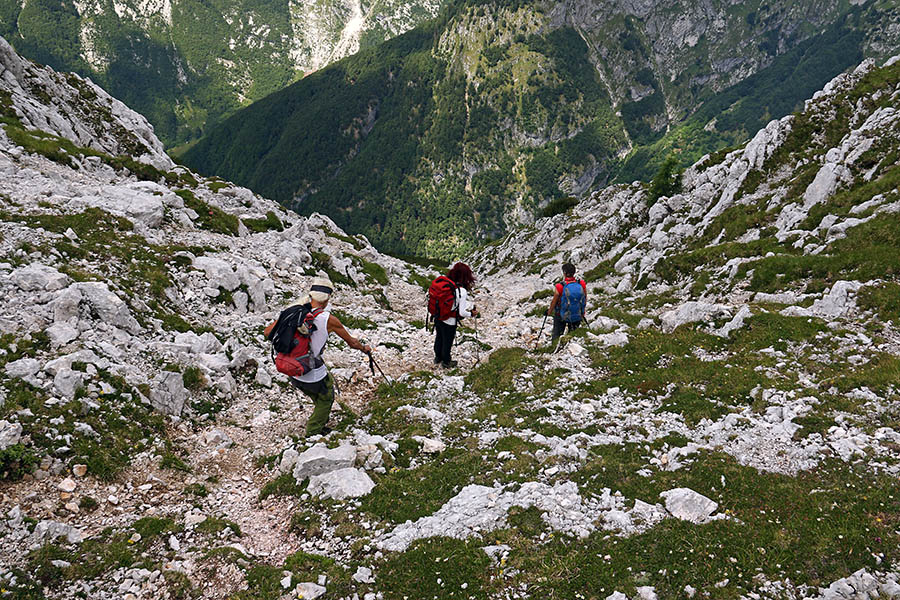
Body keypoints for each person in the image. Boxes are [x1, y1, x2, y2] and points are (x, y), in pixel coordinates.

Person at [290, 277, 372, 437]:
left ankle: (320, 419)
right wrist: (364, 349)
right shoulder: (328, 320)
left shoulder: (293, 311)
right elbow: (352, 342)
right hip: (310, 370)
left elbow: (268, 332)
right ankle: (313, 433)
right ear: (326, 299)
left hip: (290, 367)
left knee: (316, 394)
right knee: (326, 398)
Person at [434, 262, 478, 368]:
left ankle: (437, 358)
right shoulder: (461, 291)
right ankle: (446, 362)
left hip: (438, 316)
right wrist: (471, 314)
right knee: (447, 341)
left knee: (439, 337)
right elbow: (461, 312)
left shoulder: (446, 284)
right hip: (450, 320)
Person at [547, 263, 586, 342]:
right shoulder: (581, 283)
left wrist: (549, 311)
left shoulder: (560, 286)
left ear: (564, 273)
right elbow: (584, 298)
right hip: (576, 314)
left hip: (561, 315)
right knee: (573, 334)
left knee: (557, 334)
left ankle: (555, 345)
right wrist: (582, 311)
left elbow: (554, 301)